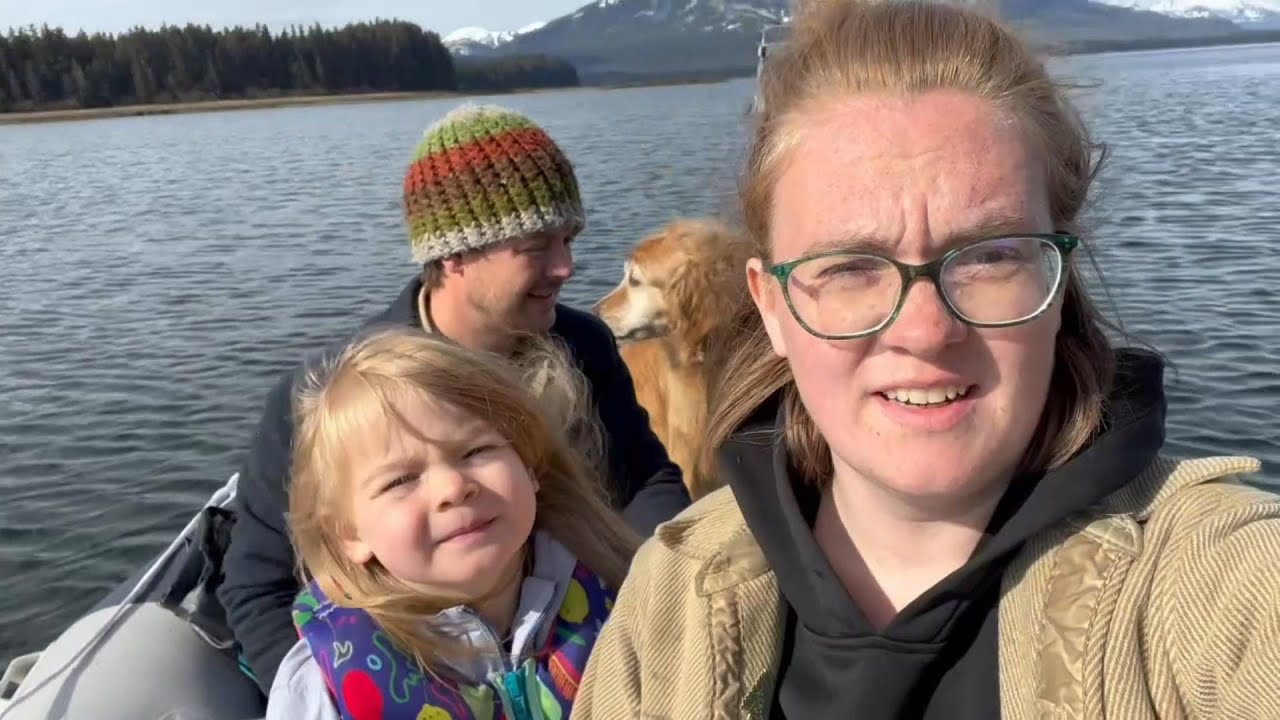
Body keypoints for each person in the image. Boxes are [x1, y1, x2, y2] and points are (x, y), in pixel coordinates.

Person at [575, 2, 1280, 718]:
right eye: (850, 266)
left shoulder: (1224, 589)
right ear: (771, 308)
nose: (926, 330)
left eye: (990, 255)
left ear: (1058, 279)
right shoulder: (669, 600)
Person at [218, 102, 689, 698]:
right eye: (537, 246)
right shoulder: (328, 398)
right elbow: (258, 587)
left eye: (568, 239)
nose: (567, 267)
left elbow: (644, 479)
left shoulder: (583, 344)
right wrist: (344, 696)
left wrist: (670, 588)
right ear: (453, 254)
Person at [265, 326, 639, 720]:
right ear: (350, 534)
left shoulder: (623, 591)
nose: (453, 488)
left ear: (529, 466)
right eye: (401, 480)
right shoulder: (320, 686)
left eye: (477, 450)